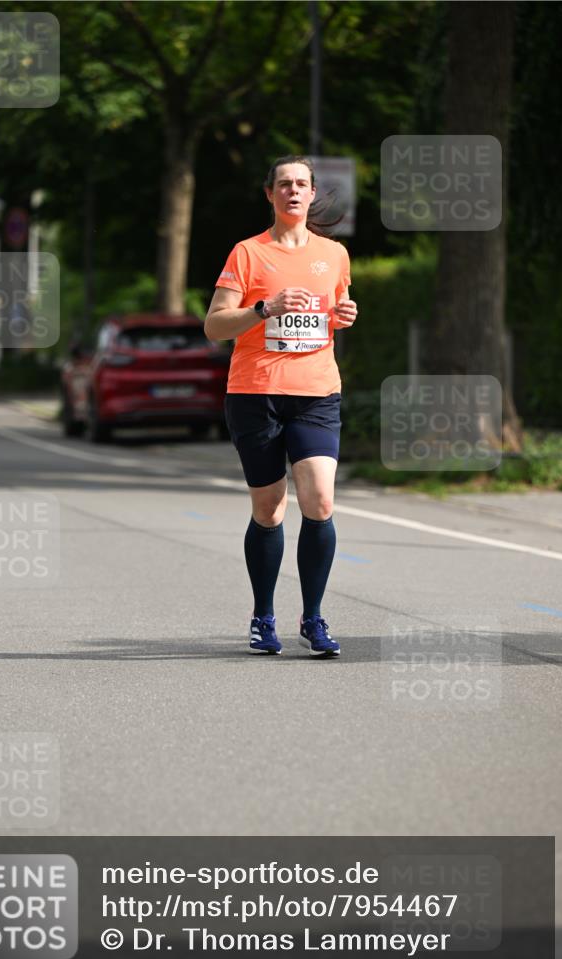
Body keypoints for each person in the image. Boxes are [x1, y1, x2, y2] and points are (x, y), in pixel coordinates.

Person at [204, 155, 358, 657]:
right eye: (284, 184)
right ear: (269, 194)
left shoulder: (334, 255)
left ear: (313, 194)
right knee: (269, 509)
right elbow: (214, 325)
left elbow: (330, 315)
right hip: (256, 392)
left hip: (316, 391)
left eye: (302, 184)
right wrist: (261, 309)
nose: (293, 191)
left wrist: (341, 316)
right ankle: (262, 616)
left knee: (321, 501)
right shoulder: (248, 254)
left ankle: (313, 618)